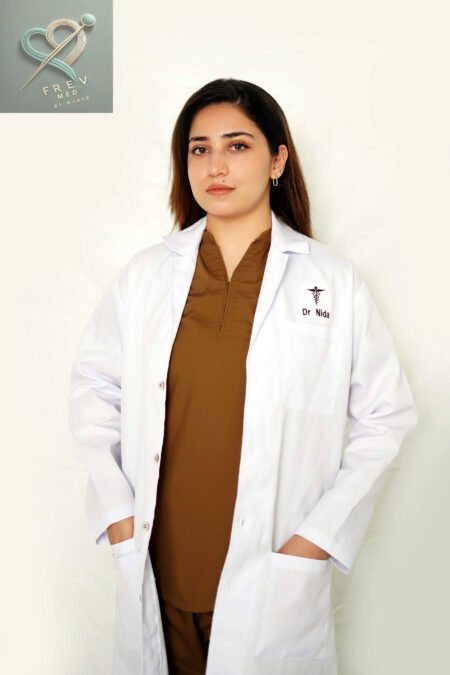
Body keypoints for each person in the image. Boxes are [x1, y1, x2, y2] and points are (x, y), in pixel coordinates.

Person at [68, 78, 418, 675]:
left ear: (277, 160)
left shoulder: (332, 282)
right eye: (199, 149)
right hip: (160, 568)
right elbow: (94, 391)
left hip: (273, 575)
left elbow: (386, 417)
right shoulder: (147, 276)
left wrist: (317, 539)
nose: (216, 166)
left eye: (237, 145)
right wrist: (120, 517)